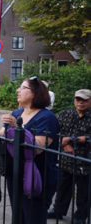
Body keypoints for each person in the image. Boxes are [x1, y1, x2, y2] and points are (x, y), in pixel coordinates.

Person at [0, 76, 59, 224]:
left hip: (37, 176)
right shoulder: (17, 113)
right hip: (16, 172)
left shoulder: (47, 117)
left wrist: (18, 128)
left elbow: (38, 148)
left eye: (23, 88)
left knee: (33, 217)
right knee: (18, 215)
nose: (18, 90)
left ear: (35, 93)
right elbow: (2, 136)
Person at [47, 89, 91, 223]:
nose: (80, 103)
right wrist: (63, 143)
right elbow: (54, 131)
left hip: (85, 161)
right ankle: (58, 210)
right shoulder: (65, 114)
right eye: (78, 99)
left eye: (84, 100)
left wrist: (75, 139)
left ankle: (80, 216)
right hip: (66, 158)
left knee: (84, 191)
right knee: (62, 186)